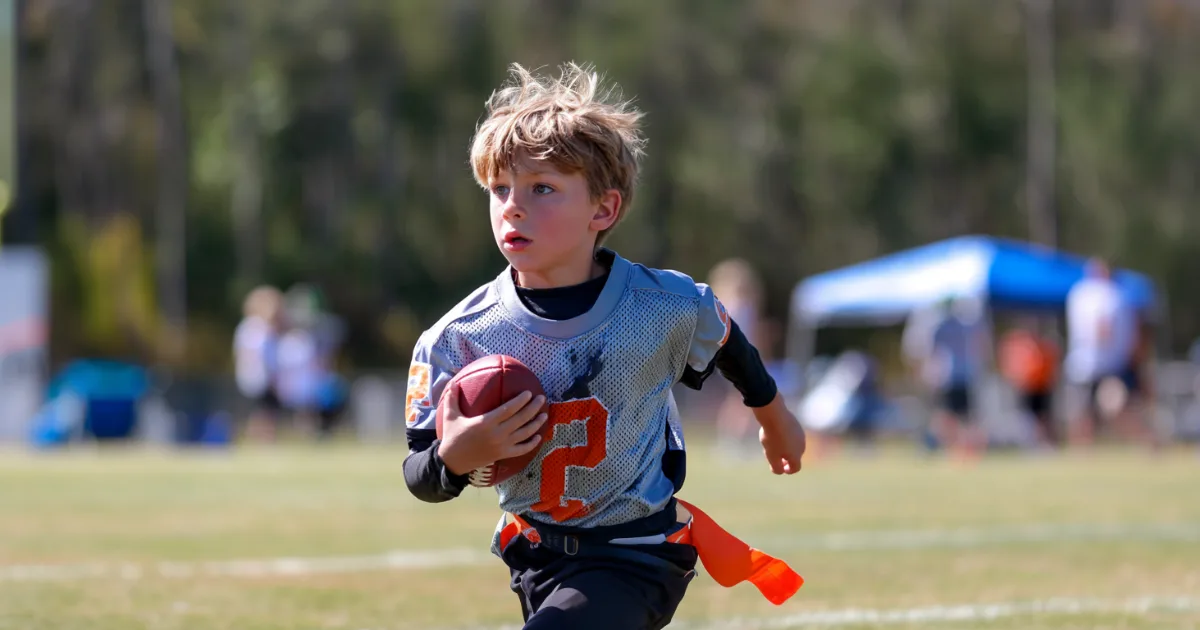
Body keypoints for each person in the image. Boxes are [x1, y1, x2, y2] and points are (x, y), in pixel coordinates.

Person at [402, 62, 806, 630]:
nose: (512, 205)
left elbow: (726, 340)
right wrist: (454, 458)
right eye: (499, 189)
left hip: (638, 551)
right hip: (535, 555)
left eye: (542, 188)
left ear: (604, 209)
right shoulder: (458, 336)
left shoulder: (661, 304)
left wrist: (774, 415)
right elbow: (418, 470)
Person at [1063, 258, 1141, 446]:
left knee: (1100, 411)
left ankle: (1082, 452)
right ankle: (1146, 442)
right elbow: (1103, 329)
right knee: (1100, 411)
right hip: (1101, 364)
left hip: (1093, 364)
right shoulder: (1110, 294)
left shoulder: (1082, 293)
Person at [997, 319, 1061, 448]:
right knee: (1028, 417)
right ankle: (1032, 443)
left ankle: (1046, 443)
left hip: (1042, 386)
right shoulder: (1019, 344)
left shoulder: (1044, 345)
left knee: (1044, 417)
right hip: (1026, 387)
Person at [233, 286, 285, 442]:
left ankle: (263, 438)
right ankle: (260, 438)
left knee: (266, 409)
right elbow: (257, 355)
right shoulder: (256, 327)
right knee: (265, 410)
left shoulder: (252, 327)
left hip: (259, 375)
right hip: (259, 376)